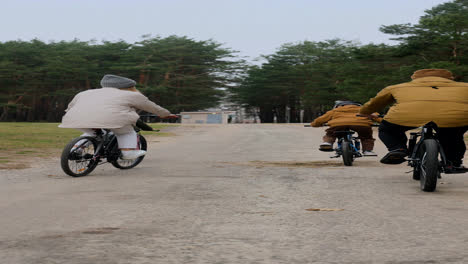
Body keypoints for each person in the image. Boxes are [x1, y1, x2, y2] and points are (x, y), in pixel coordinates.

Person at [359, 69, 468, 167]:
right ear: (450, 78)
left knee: (387, 129)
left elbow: (374, 104)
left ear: (414, 78)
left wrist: (365, 112)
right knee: (454, 136)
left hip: (405, 117)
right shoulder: (465, 87)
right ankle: (453, 162)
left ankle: (398, 148)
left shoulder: (396, 87)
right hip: (455, 118)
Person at [59, 74, 175, 160]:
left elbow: (70, 107)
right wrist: (165, 115)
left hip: (76, 119)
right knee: (126, 132)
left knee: (91, 133)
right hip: (112, 120)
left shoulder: (84, 93)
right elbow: (153, 107)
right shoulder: (131, 95)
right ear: (129, 86)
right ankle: (128, 153)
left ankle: (76, 150)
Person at [310, 100, 380, 156]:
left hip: (339, 124)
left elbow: (320, 120)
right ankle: (367, 151)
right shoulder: (366, 110)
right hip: (361, 124)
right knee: (366, 136)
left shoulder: (335, 111)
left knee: (331, 133)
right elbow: (379, 118)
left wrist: (314, 124)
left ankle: (328, 143)